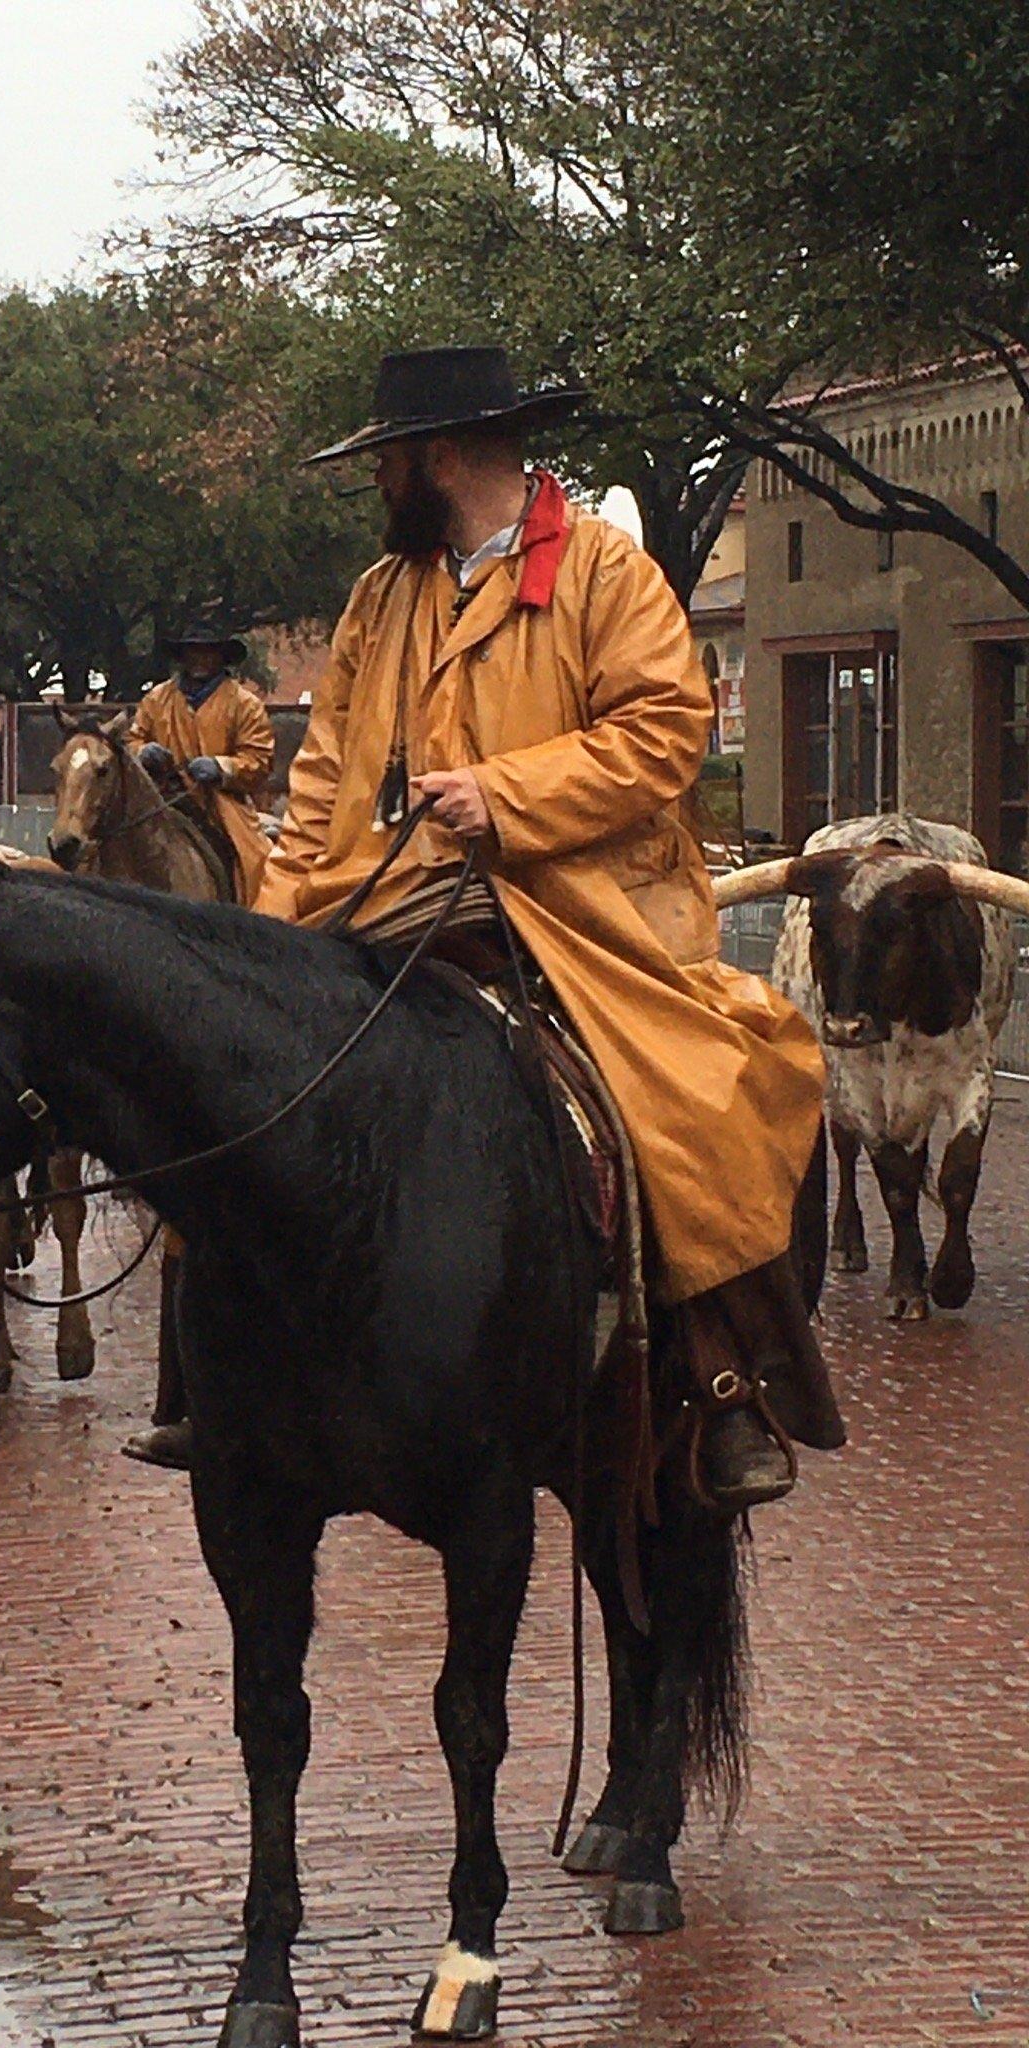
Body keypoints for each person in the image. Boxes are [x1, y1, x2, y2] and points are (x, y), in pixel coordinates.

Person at [259, 347, 843, 1511]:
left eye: (386, 457)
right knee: (249, 1075)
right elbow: (323, 775)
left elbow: (665, 731)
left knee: (706, 1095)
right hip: (390, 890)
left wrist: (506, 795)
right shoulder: (382, 597)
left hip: (584, 902)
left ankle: (723, 1381)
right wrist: (272, 932)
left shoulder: (605, 575)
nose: (378, 479)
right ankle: (225, 1381)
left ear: (436, 456)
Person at [130, 622, 278, 905]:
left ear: (221, 657)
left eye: (208, 652)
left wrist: (222, 768)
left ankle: (257, 918)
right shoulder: (156, 699)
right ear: (182, 657)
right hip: (159, 797)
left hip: (220, 803)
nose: (200, 659)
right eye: (192, 652)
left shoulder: (245, 704)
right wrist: (142, 752)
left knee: (256, 860)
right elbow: (131, 741)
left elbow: (259, 760)